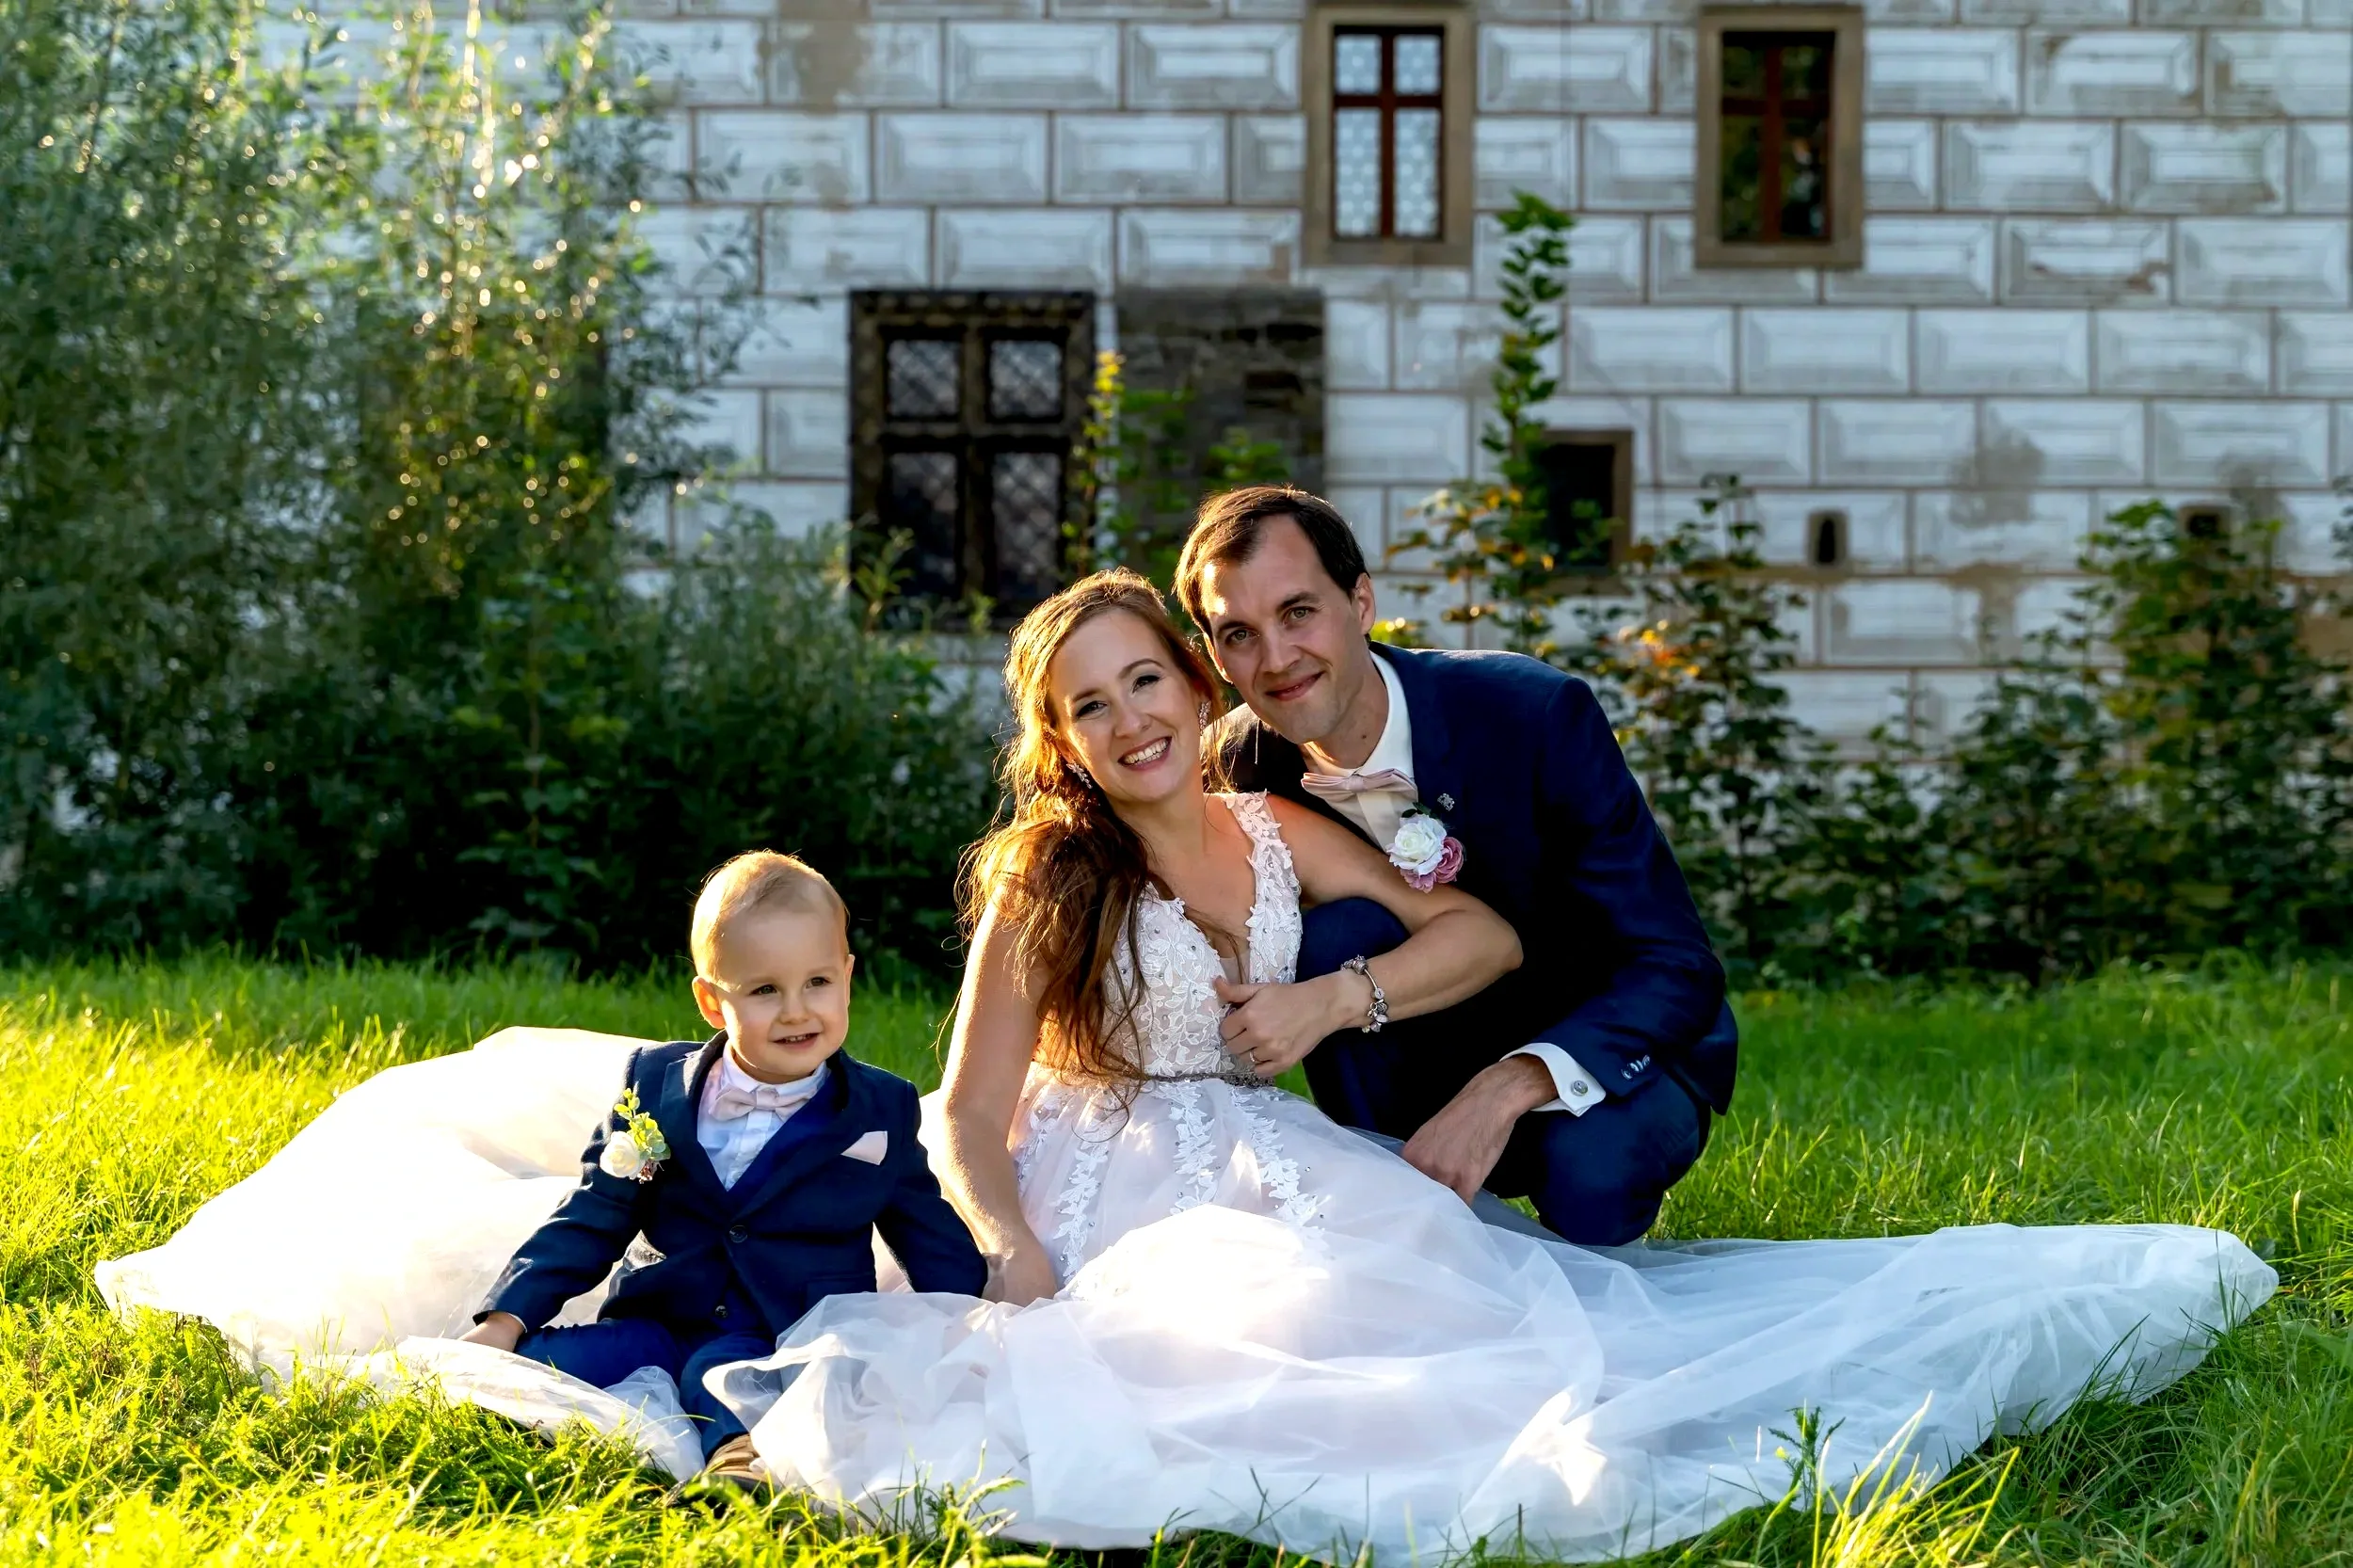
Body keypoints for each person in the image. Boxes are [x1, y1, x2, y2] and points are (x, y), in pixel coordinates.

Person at [700, 568, 2274, 1560]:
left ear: (1194, 685)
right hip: (1089, 1168)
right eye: (1087, 706)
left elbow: (1481, 940)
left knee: (1435, 1319)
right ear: (1060, 739)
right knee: (1193, 1372)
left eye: (1147, 682)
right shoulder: (1050, 878)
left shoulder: (1273, 821)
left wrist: (1340, 1002)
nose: (1128, 720)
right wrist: (1015, 1244)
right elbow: (969, 1111)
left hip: (1254, 1142)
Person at [93, 851, 984, 1486]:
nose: (799, 1011)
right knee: (551, 1369)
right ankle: (479, 1391)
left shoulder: (874, 1111)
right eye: (764, 991)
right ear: (713, 999)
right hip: (658, 1310)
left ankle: (739, 1461)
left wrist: (962, 1322)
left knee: (727, 1387)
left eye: (818, 983)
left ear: (848, 975)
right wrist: (509, 1316)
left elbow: (925, 1226)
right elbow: (594, 1214)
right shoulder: (659, 1092)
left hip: (775, 1335)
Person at [1178, 484, 1736, 1245]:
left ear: (1361, 602)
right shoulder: (1237, 766)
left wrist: (1512, 1083)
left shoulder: (1533, 715)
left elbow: (1676, 963)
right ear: (1214, 653)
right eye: (1238, 633)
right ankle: (1408, 1218)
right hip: (1410, 1049)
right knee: (1336, 928)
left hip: (1597, 1047)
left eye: (1298, 612)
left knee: (1589, 1175)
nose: (1276, 659)